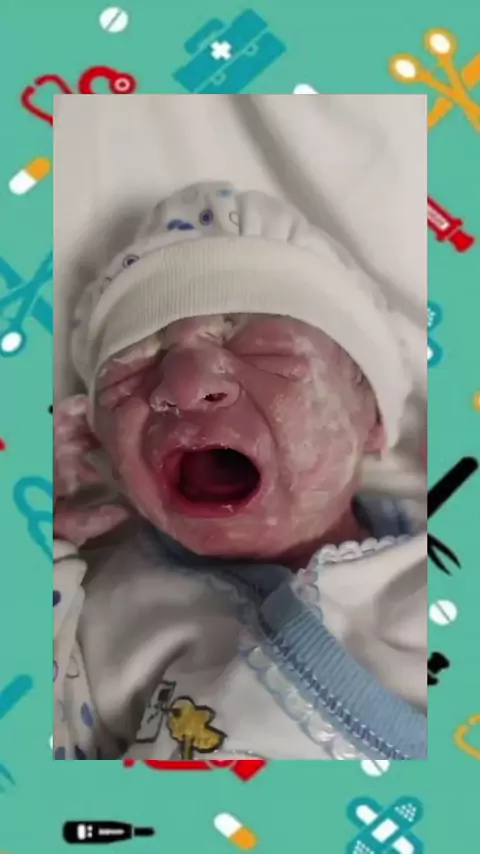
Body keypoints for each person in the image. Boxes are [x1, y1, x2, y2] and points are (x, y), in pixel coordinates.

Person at [53, 182, 427, 760]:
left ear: (374, 419)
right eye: (127, 372)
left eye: (264, 350)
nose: (183, 384)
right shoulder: (96, 617)